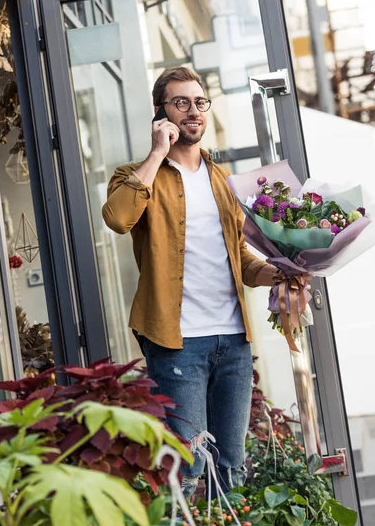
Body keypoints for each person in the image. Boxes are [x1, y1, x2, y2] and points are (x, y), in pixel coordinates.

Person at [102, 67, 282, 498]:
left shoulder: (224, 180)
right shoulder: (135, 174)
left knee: (232, 464)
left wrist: (280, 271)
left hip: (234, 340)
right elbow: (118, 218)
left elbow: (240, 258)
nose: (193, 111)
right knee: (189, 466)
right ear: (160, 113)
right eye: (180, 102)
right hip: (177, 341)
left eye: (199, 102)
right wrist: (156, 153)